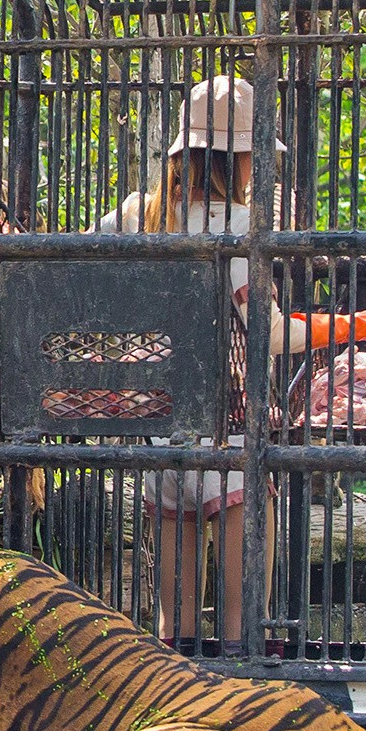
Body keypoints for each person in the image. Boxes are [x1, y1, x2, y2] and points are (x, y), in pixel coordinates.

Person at [89, 75, 308, 646]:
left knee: (173, 629)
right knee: (242, 630)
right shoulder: (236, 228)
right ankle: (241, 702)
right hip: (226, 433)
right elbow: (270, 334)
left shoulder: (138, 215)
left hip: (161, 433)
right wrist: (352, 326)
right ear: (234, 158)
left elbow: (75, 269)